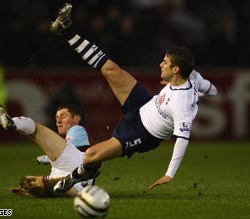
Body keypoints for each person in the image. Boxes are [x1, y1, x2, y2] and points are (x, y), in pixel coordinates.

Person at [49, 3, 218, 195]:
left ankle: (77, 175)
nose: (160, 64)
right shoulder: (193, 77)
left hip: (142, 132)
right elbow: (213, 91)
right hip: (144, 104)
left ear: (176, 70)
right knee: (111, 70)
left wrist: (169, 174)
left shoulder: (181, 104)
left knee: (90, 157)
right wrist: (197, 93)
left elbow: (182, 139)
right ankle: (66, 31)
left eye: (166, 62)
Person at [0, 100, 93, 197]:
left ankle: (13, 123)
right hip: (78, 184)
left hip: (75, 165)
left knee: (34, 128)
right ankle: (47, 187)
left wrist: (46, 158)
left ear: (76, 118)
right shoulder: (75, 137)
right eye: (56, 117)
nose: (58, 121)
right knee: (33, 184)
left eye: (63, 116)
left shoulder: (77, 129)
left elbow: (69, 150)